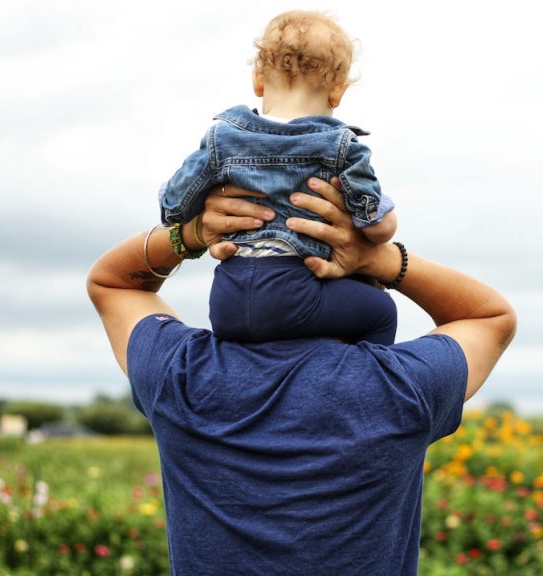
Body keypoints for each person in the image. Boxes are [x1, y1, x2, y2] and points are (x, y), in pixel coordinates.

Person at [87, 177, 516, 575]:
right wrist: (382, 258)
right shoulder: (400, 389)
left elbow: (115, 284)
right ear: (363, 289)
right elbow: (489, 316)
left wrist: (194, 233)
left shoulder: (181, 375)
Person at [158, 10, 398, 345]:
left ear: (258, 80)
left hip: (228, 300)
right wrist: (384, 218)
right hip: (297, 293)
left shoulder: (221, 139)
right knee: (381, 311)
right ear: (337, 92)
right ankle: (366, 386)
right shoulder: (341, 146)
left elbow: (174, 208)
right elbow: (375, 226)